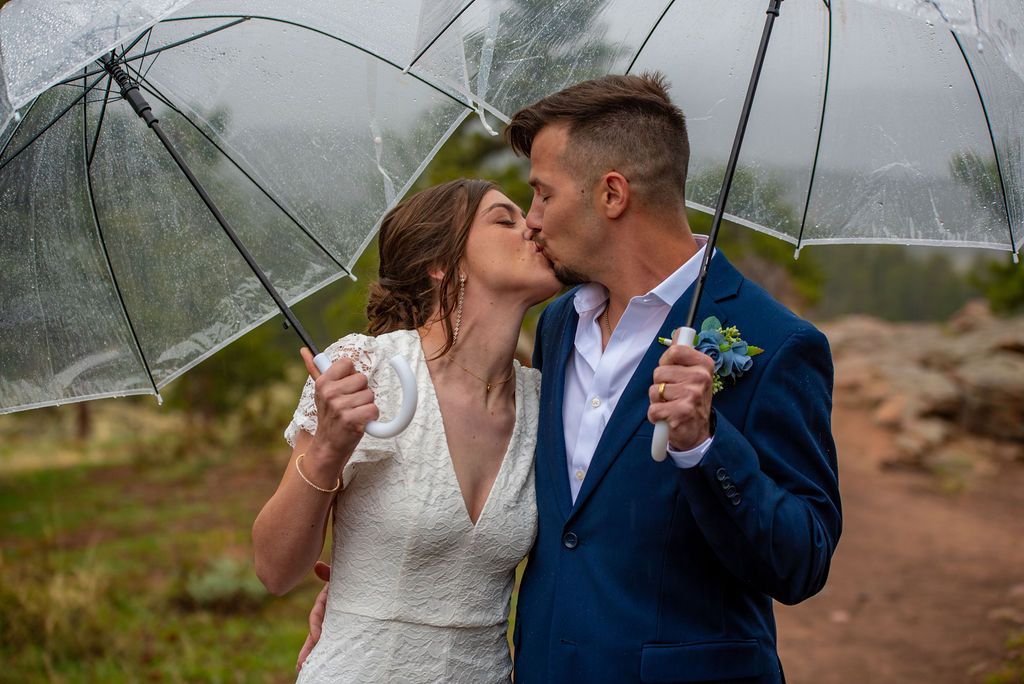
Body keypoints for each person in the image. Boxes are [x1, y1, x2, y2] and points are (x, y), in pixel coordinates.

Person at [300, 72, 842, 683]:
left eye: (543, 194)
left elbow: (804, 559)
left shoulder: (775, 342)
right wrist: (370, 604)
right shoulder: (558, 326)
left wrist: (705, 444)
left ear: (612, 195)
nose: (532, 220)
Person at [252, 178, 561, 682]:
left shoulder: (545, 401)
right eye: (504, 220)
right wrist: (328, 448)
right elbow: (274, 570)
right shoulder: (367, 370)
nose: (530, 226)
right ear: (443, 265)